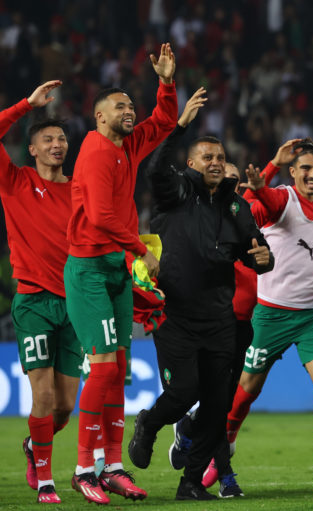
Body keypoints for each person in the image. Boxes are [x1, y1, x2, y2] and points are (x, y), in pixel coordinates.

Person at [127, 88, 274, 500]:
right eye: (205, 157)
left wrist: (265, 260)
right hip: (174, 314)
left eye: (219, 158)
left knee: (214, 407)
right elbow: (155, 166)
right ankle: (151, 423)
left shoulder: (236, 209)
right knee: (184, 391)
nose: (214, 163)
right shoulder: (177, 194)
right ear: (190, 165)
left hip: (219, 320)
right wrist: (179, 125)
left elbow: (260, 256)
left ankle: (190, 484)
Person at [65, 43, 177, 505]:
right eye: (120, 106)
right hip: (90, 269)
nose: (130, 112)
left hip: (114, 269)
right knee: (105, 368)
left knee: (119, 371)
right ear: (99, 117)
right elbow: (99, 215)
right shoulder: (94, 151)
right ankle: (82, 468)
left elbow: (165, 122)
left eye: (131, 106)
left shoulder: (127, 145)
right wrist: (141, 251)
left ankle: (112, 466)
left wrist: (166, 83)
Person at [224, 138, 313, 491]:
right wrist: (265, 179)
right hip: (271, 313)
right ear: (293, 172)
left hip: (312, 313)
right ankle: (226, 443)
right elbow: (251, 208)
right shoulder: (282, 199)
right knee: (248, 389)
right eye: (305, 169)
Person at [0, 80, 80, 504]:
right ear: (32, 148)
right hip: (33, 301)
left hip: (75, 305)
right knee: (43, 394)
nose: (57, 144)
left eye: (62, 138)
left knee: (65, 406)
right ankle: (46, 480)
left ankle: (35, 447)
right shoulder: (14, 182)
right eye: (47, 138)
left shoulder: (81, 191)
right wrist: (24, 106)